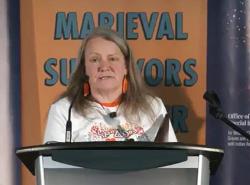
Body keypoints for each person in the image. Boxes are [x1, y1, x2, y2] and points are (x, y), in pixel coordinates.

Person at [44, 27, 177, 143]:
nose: (104, 66)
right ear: (84, 68)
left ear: (126, 66)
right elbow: (50, 167)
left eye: (112, 58)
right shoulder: (63, 110)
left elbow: (172, 165)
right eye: (95, 59)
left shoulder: (153, 107)